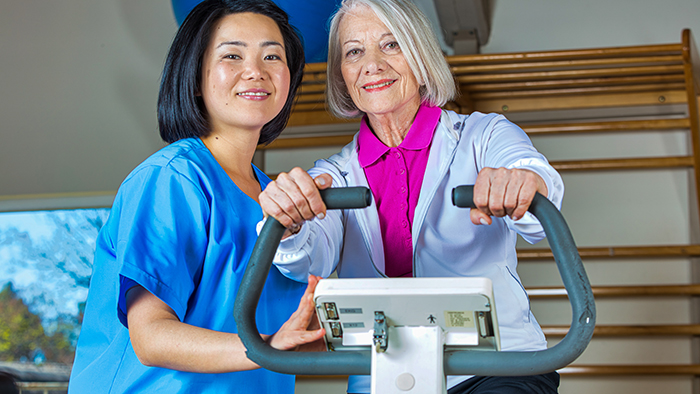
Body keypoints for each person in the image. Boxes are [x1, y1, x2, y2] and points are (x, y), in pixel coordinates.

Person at [259, 0, 564, 393]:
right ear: (343, 75)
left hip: (494, 368)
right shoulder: (334, 174)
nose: (372, 64)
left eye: (391, 44)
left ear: (420, 56)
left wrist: (522, 183)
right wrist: (288, 220)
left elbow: (538, 192)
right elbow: (307, 257)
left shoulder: (483, 136)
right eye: (354, 52)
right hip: (384, 375)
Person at [68, 1, 326, 393]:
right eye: (232, 55)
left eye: (272, 55)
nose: (256, 70)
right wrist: (267, 348)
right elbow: (151, 337)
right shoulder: (173, 179)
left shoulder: (277, 200)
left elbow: (283, 339)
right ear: (195, 76)